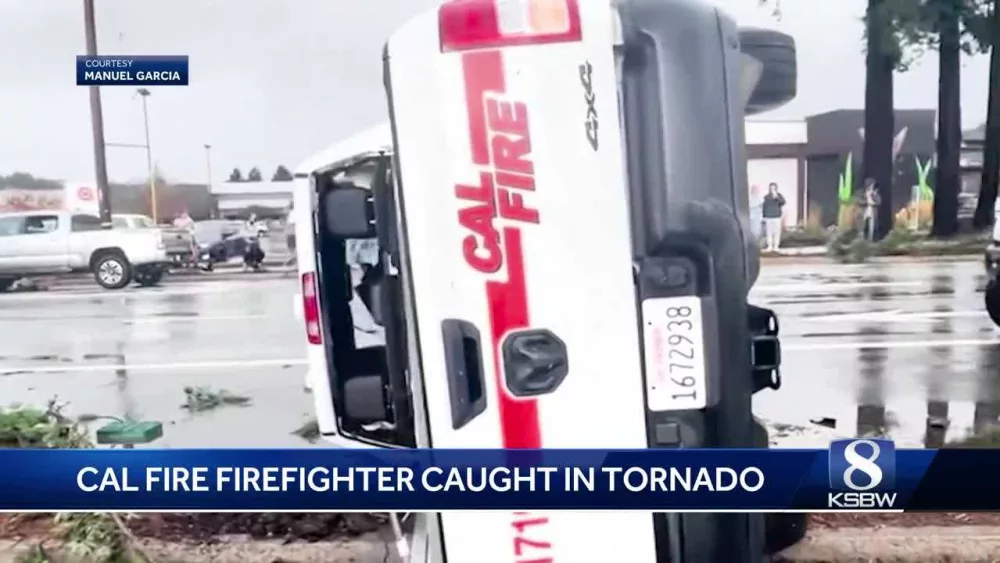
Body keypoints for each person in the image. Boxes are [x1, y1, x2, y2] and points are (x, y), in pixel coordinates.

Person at [761, 182, 786, 252]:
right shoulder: (766, 197)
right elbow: (764, 207)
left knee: (776, 232)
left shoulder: (779, 196)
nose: (772, 189)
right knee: (769, 232)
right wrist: (764, 216)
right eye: (771, 188)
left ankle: (776, 246)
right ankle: (769, 246)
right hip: (769, 217)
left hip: (776, 216)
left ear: (776, 188)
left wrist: (777, 197)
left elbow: (783, 202)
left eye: (773, 188)